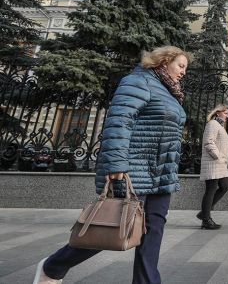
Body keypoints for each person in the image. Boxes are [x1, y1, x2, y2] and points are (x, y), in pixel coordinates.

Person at [33, 46, 190, 284]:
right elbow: (119, 122)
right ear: (164, 61)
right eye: (181, 65)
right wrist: (116, 164)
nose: (183, 72)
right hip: (134, 169)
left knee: (153, 233)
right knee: (111, 229)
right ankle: (52, 266)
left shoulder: (170, 92)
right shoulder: (138, 82)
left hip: (162, 173)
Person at [196, 104, 228, 230]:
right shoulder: (212, 124)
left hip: (219, 164)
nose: (227, 115)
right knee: (211, 189)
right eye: (225, 113)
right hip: (213, 162)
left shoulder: (219, 125)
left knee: (224, 186)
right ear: (218, 113)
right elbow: (208, 142)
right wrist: (218, 156)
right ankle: (206, 220)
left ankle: (204, 213)